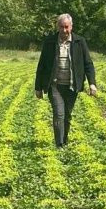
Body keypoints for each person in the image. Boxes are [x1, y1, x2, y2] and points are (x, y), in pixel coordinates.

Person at [34, 14, 97, 148]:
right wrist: (38, 87)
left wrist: (92, 83)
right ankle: (59, 144)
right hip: (55, 85)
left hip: (72, 85)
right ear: (58, 27)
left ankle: (64, 141)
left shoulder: (79, 42)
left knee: (67, 115)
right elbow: (42, 65)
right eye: (61, 27)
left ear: (71, 27)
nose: (64, 30)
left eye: (66, 27)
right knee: (59, 114)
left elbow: (88, 64)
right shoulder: (50, 42)